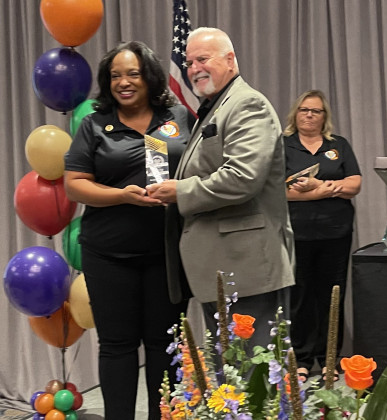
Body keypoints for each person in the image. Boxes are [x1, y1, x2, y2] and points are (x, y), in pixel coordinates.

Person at [63, 41, 194, 420]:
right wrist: (122, 196)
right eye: (115, 75)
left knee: (163, 346)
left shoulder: (177, 118)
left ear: (149, 77)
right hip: (109, 256)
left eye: (132, 73)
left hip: (167, 254)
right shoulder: (94, 124)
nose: (123, 82)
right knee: (117, 346)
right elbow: (75, 184)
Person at [147, 27, 295, 350]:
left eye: (202, 59)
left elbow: (243, 177)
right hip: (222, 269)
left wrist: (180, 192)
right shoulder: (215, 107)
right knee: (231, 382)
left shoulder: (247, 104)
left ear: (230, 60)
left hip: (247, 270)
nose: (194, 68)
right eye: (188, 63)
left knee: (255, 381)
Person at [282, 90, 362, 382]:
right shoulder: (283, 145)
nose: (309, 115)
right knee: (300, 297)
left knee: (332, 295)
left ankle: (330, 358)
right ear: (295, 113)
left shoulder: (338, 145)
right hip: (297, 233)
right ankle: (301, 359)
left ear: (324, 116)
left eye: (316, 111)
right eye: (304, 110)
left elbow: (355, 183)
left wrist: (318, 185)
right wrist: (325, 191)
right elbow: (280, 192)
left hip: (335, 233)